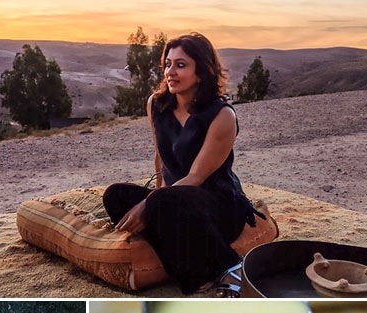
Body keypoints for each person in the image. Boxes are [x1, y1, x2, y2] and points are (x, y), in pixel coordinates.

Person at [102, 32, 265, 294]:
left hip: (218, 205)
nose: (171, 72)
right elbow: (161, 157)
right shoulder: (156, 104)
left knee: (158, 202)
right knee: (115, 196)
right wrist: (155, 196)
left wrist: (152, 203)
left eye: (181, 65)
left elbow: (196, 177)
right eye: (167, 64)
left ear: (201, 72)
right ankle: (194, 264)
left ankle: (229, 267)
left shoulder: (222, 115)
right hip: (174, 201)